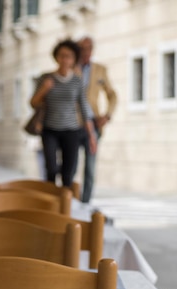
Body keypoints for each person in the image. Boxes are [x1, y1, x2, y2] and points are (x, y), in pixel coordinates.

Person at [30, 39, 97, 188]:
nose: (65, 59)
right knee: (51, 170)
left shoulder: (77, 81)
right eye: (62, 55)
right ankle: (50, 203)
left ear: (74, 60)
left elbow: (84, 108)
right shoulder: (46, 78)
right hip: (50, 130)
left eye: (69, 56)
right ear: (56, 57)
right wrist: (44, 89)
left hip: (71, 130)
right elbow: (33, 103)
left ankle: (64, 207)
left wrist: (91, 135)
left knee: (68, 174)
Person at [76, 36, 117, 203]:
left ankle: (85, 202)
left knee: (90, 168)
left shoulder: (100, 70)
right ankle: (69, 201)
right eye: (83, 48)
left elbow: (112, 95)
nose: (86, 52)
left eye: (89, 48)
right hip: (72, 122)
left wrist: (107, 115)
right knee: (69, 166)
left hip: (93, 124)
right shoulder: (71, 67)